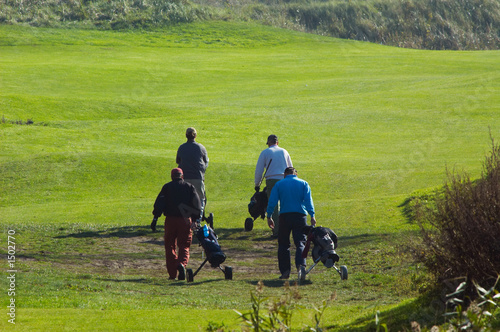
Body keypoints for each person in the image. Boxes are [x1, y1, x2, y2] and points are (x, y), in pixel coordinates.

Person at [151, 168, 201, 280]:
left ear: (172, 176)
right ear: (182, 176)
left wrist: (155, 218)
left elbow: (159, 204)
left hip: (170, 220)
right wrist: (195, 220)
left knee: (170, 246)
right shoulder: (189, 187)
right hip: (185, 220)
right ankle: (182, 264)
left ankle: (172, 274)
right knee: (184, 245)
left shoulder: (167, 187)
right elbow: (197, 205)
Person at [267, 167, 316, 279]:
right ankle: (301, 267)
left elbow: (272, 201)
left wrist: (269, 216)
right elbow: (308, 201)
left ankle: (285, 272)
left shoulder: (279, 184)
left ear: (285, 174)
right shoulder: (304, 183)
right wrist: (312, 215)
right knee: (300, 242)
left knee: (283, 244)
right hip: (300, 216)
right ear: (296, 174)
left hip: (285, 216)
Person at [254, 134, 293, 237]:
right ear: (277, 143)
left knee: (274, 205)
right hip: (286, 179)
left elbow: (259, 170)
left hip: (272, 180)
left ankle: (277, 231)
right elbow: (291, 168)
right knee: (285, 204)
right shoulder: (284, 151)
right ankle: (287, 229)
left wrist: (257, 184)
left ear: (269, 143)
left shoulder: (265, 152)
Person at [176, 127, 209, 220]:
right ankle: (198, 220)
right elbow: (205, 162)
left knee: (184, 200)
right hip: (197, 178)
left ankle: (185, 219)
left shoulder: (181, 147)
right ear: (195, 135)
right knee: (201, 199)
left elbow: (178, 161)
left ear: (186, 135)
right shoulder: (201, 147)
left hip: (184, 179)